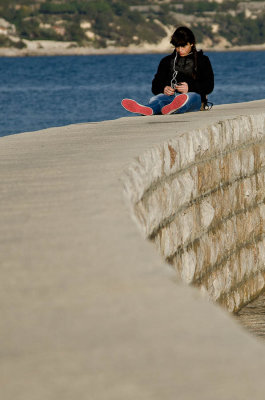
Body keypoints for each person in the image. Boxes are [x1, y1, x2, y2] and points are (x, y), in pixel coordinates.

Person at [121, 26, 214, 116]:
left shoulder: (202, 60)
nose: (180, 50)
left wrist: (190, 88)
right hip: (170, 98)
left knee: (189, 98)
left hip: (196, 98)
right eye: (177, 47)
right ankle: (148, 109)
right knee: (159, 99)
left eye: (183, 46)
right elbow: (155, 86)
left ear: (192, 43)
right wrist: (164, 89)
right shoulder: (166, 61)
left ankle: (174, 107)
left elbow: (209, 85)